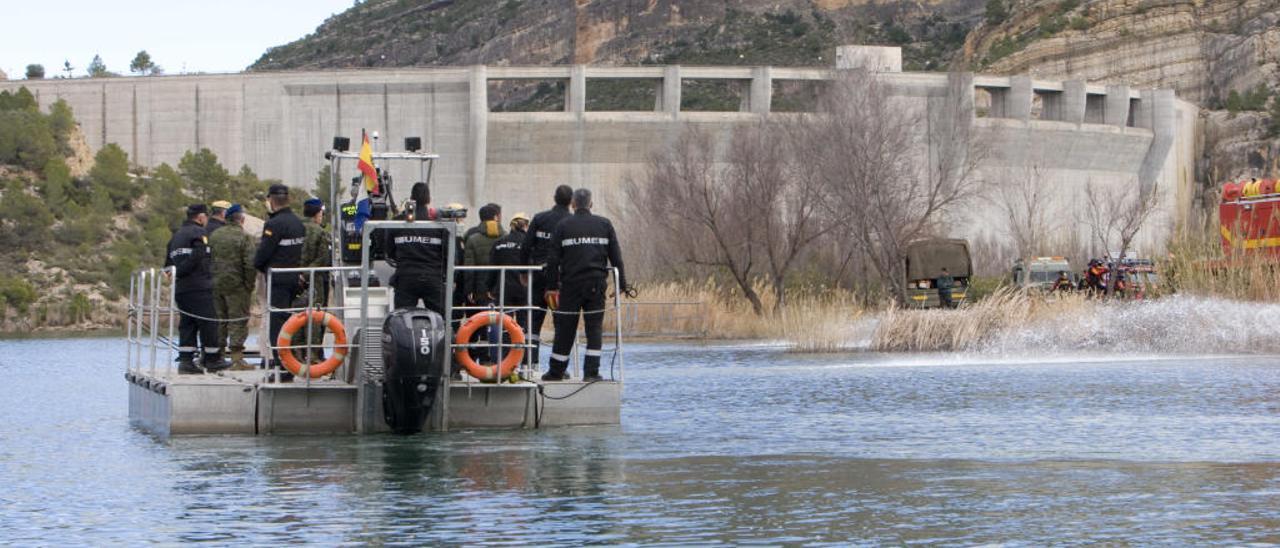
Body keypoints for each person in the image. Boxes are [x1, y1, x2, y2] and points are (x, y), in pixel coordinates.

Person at [544, 188, 627, 382]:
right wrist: (621, 283)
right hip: (595, 285)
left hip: (570, 285)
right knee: (594, 328)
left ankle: (556, 372)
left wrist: (551, 287)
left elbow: (553, 259)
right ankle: (591, 373)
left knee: (565, 328)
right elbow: (616, 257)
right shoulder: (604, 224)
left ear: (573, 204)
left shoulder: (563, 225)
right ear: (591, 204)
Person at [165, 204, 228, 374]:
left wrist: (177, 275)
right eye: (205, 217)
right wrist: (184, 270)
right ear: (201, 217)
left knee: (188, 324)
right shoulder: (200, 233)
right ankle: (212, 359)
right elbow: (199, 256)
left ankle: (186, 361)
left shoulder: (175, 236)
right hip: (199, 286)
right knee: (209, 322)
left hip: (181, 289)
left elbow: (167, 265)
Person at [254, 184, 306, 380]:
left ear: (271, 200)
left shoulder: (274, 225)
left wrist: (259, 265)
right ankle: (289, 363)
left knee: (277, 324)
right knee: (288, 322)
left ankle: (282, 368)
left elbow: (263, 254)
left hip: (278, 280)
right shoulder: (297, 223)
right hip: (293, 278)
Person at [521, 185, 573, 365]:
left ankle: (530, 364)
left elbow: (526, 246)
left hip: (538, 276)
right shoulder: (571, 222)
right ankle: (559, 367)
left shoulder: (540, 218)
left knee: (533, 322)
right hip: (560, 280)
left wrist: (523, 271)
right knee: (561, 323)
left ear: (554, 198)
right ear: (571, 201)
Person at [385, 182, 451, 317]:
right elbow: (448, 254)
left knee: (402, 318)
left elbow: (389, 250)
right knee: (441, 319)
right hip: (433, 277)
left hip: (405, 277)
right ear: (429, 199)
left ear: (411, 197)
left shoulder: (398, 222)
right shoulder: (440, 224)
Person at [209, 203, 257, 371]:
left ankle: (218, 356)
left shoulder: (214, 235)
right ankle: (237, 359)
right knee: (238, 321)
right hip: (237, 286)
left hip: (216, 284)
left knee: (220, 321)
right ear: (241, 219)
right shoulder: (244, 237)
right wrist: (249, 285)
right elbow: (250, 264)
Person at [291, 197, 332, 364]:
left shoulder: (294, 229)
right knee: (314, 317)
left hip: (294, 280)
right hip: (315, 280)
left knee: (297, 316)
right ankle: (313, 354)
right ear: (317, 213)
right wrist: (307, 274)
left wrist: (298, 274)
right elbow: (323, 258)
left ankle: (296, 352)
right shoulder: (319, 232)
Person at [465, 203, 504, 362]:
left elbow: (469, 267)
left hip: (479, 288)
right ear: (495, 217)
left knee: (477, 324)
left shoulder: (471, 237)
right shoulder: (505, 236)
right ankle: (496, 359)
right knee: (499, 322)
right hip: (499, 287)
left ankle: (476, 357)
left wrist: (468, 290)